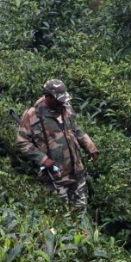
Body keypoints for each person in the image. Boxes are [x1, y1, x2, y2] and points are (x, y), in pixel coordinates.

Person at [16, 79, 99, 212]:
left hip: (76, 170)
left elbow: (76, 129)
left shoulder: (66, 108)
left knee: (81, 210)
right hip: (55, 175)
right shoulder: (32, 115)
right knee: (62, 214)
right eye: (58, 100)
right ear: (48, 96)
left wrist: (90, 146)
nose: (62, 102)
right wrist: (43, 159)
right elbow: (22, 142)